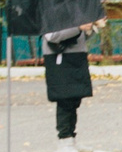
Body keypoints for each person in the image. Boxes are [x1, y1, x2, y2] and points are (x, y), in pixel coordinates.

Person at [43, 14, 104, 143]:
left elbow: (81, 37)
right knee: (64, 98)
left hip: (77, 57)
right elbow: (51, 36)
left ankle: (71, 138)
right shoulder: (49, 9)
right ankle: (64, 138)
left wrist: (92, 27)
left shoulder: (75, 10)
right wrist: (78, 28)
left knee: (75, 99)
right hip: (59, 58)